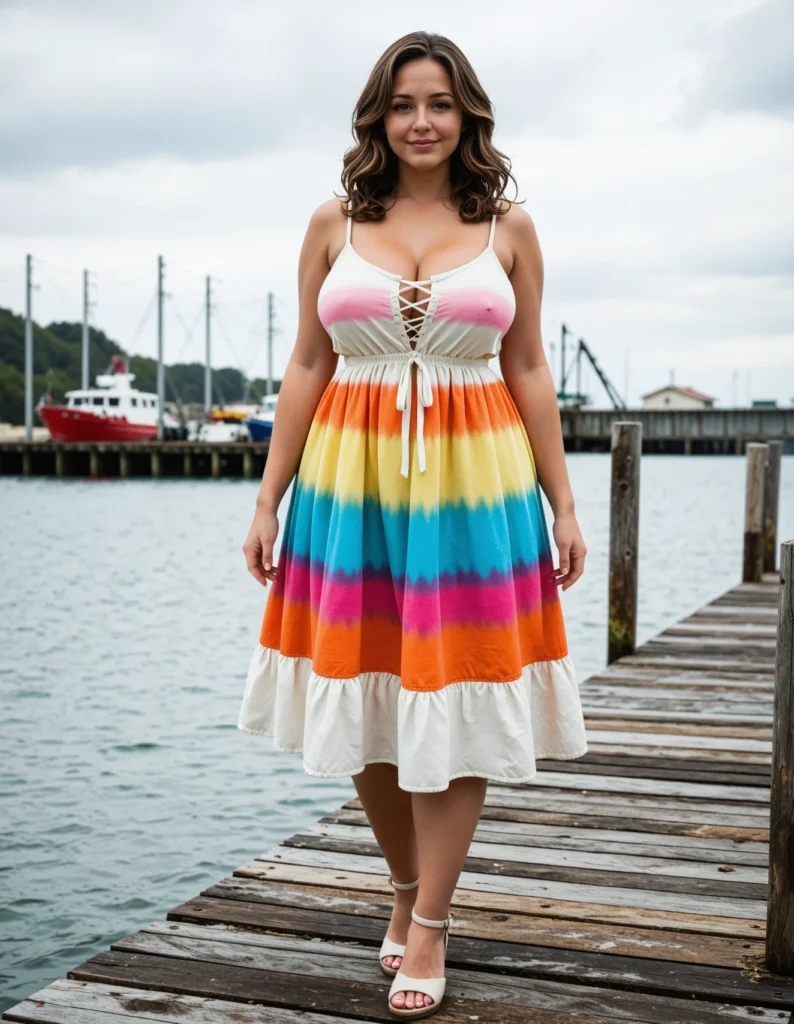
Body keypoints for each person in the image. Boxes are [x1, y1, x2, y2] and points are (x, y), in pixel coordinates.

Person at [238, 30, 588, 1021]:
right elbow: (307, 364)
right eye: (402, 104)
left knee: (461, 696)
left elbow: (526, 367)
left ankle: (429, 920)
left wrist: (561, 502)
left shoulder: (508, 226)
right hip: (350, 487)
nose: (421, 121)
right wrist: (267, 497)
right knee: (364, 699)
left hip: (475, 487)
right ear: (376, 117)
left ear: (466, 113)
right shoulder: (332, 221)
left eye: (439, 103)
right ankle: (401, 885)